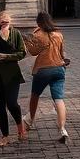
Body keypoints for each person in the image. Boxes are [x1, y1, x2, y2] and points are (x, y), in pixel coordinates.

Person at [23, 11, 69, 143]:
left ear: (39, 23)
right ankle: (62, 129)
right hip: (59, 68)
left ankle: (30, 120)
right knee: (59, 99)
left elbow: (33, 52)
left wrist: (31, 37)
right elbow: (61, 53)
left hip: (43, 69)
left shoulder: (39, 34)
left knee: (35, 95)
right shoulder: (58, 34)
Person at [0, 10, 27, 147]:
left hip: (12, 73)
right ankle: (5, 135)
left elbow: (22, 53)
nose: (4, 24)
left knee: (12, 103)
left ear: (10, 23)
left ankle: (20, 126)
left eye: (6, 22)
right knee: (0, 106)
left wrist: (7, 57)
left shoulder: (16, 34)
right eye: (2, 22)